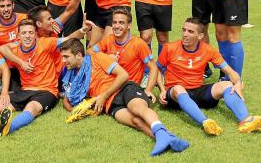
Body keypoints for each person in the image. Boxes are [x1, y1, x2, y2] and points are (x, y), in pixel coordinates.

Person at [60, 39, 189, 157]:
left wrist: (103, 96)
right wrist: (76, 110)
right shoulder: (72, 74)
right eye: (62, 57)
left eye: (66, 57)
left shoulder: (97, 58)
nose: (63, 61)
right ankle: (169, 140)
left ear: (78, 55)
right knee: (136, 122)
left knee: (138, 109)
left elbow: (123, 75)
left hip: (124, 89)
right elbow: (66, 99)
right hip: (110, 104)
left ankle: (161, 134)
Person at [157, 17, 261, 134]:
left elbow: (230, 72)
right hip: (175, 96)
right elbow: (157, 70)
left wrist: (237, 83)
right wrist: (162, 90)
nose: (185, 34)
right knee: (178, 88)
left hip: (197, 91)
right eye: (184, 30)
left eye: (190, 32)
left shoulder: (208, 50)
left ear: (200, 36)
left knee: (226, 84)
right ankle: (205, 122)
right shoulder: (169, 48)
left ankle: (246, 120)